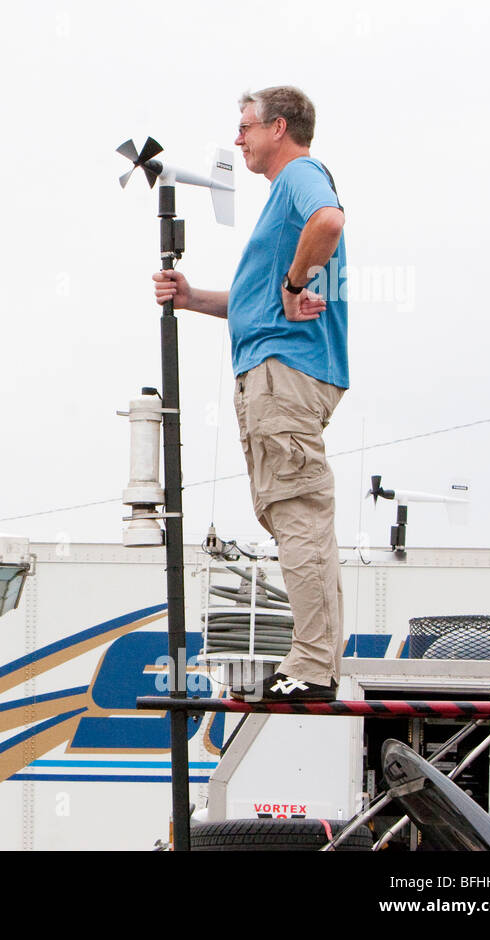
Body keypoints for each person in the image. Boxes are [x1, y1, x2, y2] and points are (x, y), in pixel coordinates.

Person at [152, 86, 347, 701]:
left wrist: (293, 283)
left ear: (279, 128)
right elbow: (256, 305)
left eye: (246, 128)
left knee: (296, 514)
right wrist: (191, 299)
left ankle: (311, 668)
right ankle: (317, 664)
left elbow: (330, 222)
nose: (238, 140)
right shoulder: (285, 201)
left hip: (282, 371)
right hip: (284, 368)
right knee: (297, 515)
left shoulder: (301, 179)